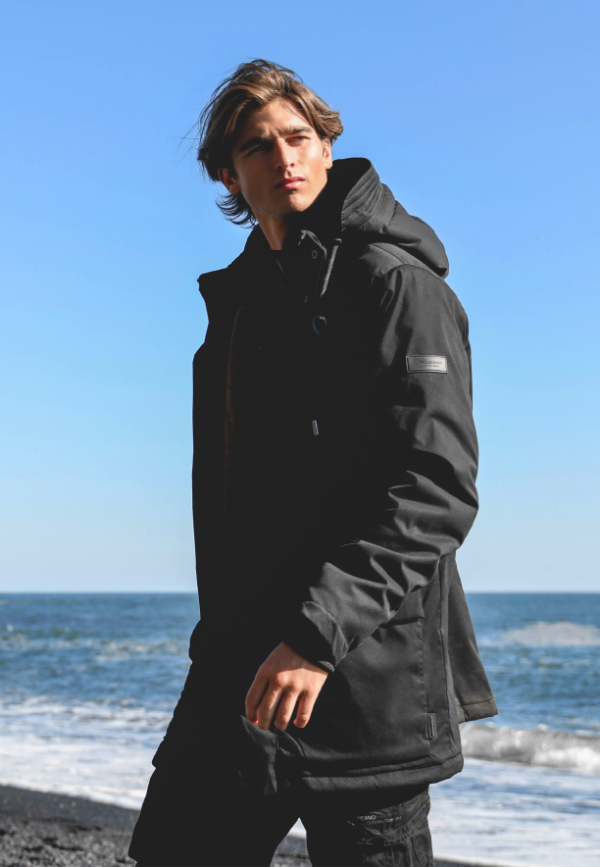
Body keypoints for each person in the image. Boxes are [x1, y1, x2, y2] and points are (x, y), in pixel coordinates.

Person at [129, 59, 497, 867]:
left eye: (298, 137)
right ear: (227, 174)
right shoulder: (239, 307)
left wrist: (315, 636)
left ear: (328, 147)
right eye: (257, 146)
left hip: (363, 674)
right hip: (239, 667)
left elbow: (435, 487)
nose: (284, 158)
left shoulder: (396, 285)